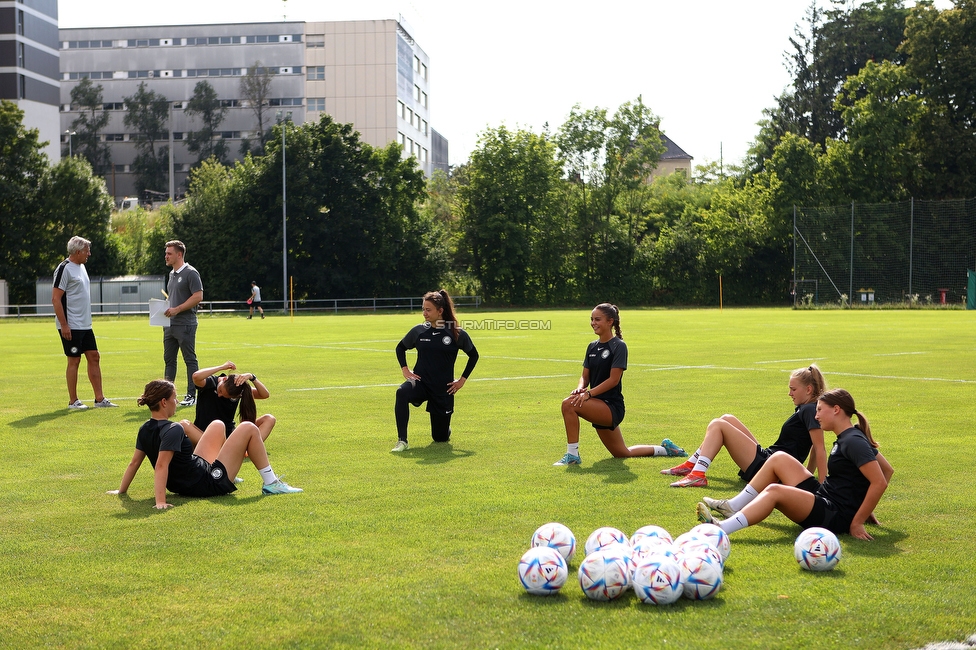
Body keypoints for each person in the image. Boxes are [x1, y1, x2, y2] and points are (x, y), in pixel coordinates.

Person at [696, 389, 893, 541]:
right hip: (825, 496)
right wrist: (864, 508)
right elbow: (887, 470)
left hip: (833, 515)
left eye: (819, 410)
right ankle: (734, 506)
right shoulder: (850, 436)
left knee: (775, 491)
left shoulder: (853, 441)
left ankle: (721, 529)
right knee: (779, 458)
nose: (816, 416)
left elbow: (880, 480)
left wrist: (858, 520)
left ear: (836, 410)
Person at [107, 379, 301, 508]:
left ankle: (243, 474)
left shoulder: (144, 428)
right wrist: (160, 502)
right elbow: (161, 465)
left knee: (217, 425)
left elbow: (134, 463)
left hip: (191, 479)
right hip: (208, 483)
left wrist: (121, 491)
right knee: (249, 427)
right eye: (175, 398)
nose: (177, 401)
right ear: (164, 403)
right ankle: (271, 483)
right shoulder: (174, 429)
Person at [553, 303, 686, 466]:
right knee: (622, 453)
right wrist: (581, 387)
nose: (593, 323)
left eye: (597, 319)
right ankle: (666, 449)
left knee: (568, 405)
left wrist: (588, 394)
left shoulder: (619, 346)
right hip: (596, 404)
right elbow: (584, 377)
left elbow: (613, 380)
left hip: (611, 407)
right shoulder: (592, 346)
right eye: (591, 319)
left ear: (610, 321)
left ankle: (572, 456)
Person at [663, 365, 828, 488]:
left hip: (769, 467)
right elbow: (815, 447)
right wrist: (806, 475)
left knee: (717, 424)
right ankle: (691, 465)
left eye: (793, 389)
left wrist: (821, 485)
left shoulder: (809, 409)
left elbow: (819, 448)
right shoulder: (807, 408)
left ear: (808, 389)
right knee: (727, 418)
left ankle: (697, 474)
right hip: (769, 461)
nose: (789, 393)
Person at [393, 290, 479, 452]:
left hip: (443, 389)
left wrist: (461, 381)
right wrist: (405, 370)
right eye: (423, 309)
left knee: (440, 438)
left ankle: (445, 427)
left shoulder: (456, 333)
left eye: (428, 309)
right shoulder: (418, 331)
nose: (424, 313)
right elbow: (400, 348)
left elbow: (474, 355)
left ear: (440, 311)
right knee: (402, 392)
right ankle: (402, 441)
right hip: (421, 383)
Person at [51, 236, 118, 410]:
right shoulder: (64, 268)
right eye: (87, 250)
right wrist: (64, 325)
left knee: (94, 356)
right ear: (78, 251)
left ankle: (99, 399)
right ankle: (73, 401)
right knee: (74, 360)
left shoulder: (82, 267)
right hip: (71, 325)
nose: (89, 253)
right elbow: (56, 299)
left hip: (85, 324)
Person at [178, 360, 275, 446]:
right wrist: (222, 367)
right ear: (224, 379)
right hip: (203, 434)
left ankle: (250, 449)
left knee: (269, 419)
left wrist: (251, 377)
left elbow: (264, 395)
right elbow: (196, 376)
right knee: (184, 424)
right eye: (220, 390)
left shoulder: (238, 390)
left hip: (228, 436)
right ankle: (221, 449)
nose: (219, 395)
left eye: (225, 396)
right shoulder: (210, 383)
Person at [162, 240, 203, 406]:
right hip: (169, 325)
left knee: (189, 360)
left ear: (179, 254)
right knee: (169, 360)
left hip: (185, 324)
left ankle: (191, 395)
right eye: (166, 253)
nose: (166, 256)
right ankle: (165, 395)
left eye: (169, 253)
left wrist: (177, 309)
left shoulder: (191, 273)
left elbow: (198, 296)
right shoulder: (172, 274)